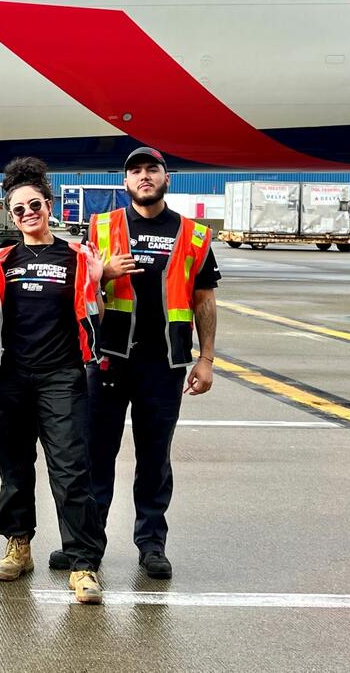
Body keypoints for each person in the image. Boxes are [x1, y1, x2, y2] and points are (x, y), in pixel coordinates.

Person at [50, 147, 219, 581]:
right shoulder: (101, 228)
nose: (144, 177)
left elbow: (204, 298)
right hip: (109, 359)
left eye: (152, 170)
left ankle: (151, 545)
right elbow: (78, 289)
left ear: (167, 178)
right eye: (135, 171)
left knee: (154, 458)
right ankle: (88, 544)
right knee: (94, 456)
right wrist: (102, 272)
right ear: (125, 183)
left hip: (164, 362)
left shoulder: (194, 235)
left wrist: (206, 358)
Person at [0, 157, 107, 604]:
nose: (28, 212)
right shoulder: (0, 259)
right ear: (10, 216)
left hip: (61, 376)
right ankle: (18, 545)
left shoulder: (75, 256)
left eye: (34, 204)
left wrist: (97, 282)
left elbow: (95, 318)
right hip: (8, 378)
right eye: (18, 208)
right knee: (14, 468)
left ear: (49, 205)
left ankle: (83, 563)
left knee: (71, 471)